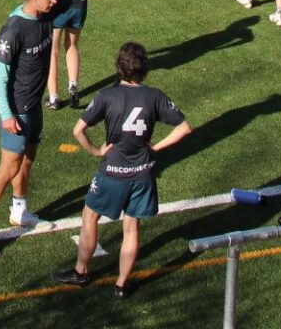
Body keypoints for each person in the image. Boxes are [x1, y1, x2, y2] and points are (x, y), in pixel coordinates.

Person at [0, 0, 138, 260]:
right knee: (9, 166)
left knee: (27, 159)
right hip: (16, 110)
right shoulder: (14, 30)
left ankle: (20, 211)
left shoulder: (47, 13)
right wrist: (6, 115)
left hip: (33, 107)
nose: (54, 0)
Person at [54, 41, 192, 296]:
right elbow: (185, 127)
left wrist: (97, 151)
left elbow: (78, 130)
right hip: (143, 173)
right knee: (131, 227)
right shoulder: (155, 96)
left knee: (89, 217)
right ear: (145, 69)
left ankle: (81, 271)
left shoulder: (107, 96)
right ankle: (121, 285)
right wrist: (157, 147)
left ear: (119, 68)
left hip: (111, 172)